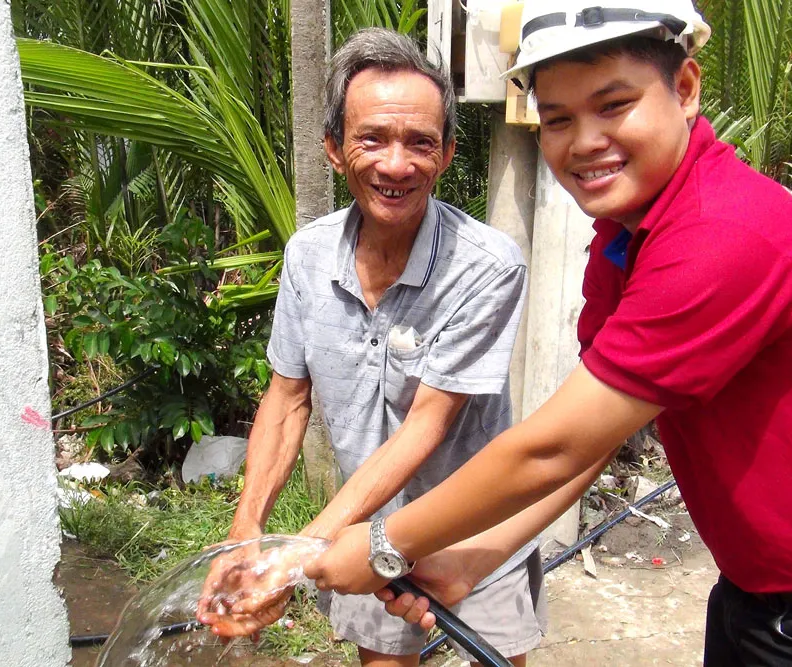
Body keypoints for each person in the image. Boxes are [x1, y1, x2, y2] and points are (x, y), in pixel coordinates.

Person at [304, 2, 792, 665]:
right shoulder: (628, 238)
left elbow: (551, 448)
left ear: (684, 89)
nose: (584, 140)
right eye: (558, 118)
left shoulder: (720, 234)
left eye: (613, 105)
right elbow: (596, 432)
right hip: (758, 598)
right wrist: (473, 558)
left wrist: (385, 541)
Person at [196, 27, 546, 667]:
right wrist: (246, 535)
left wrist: (299, 553)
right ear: (334, 148)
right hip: (358, 522)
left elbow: (426, 427)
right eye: (372, 138)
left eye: (420, 142)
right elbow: (286, 398)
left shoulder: (488, 266)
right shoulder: (307, 255)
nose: (396, 164)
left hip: (473, 529)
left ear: (445, 155)